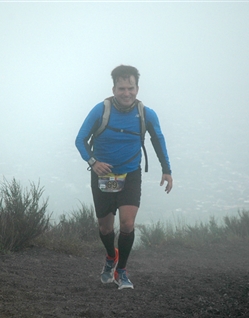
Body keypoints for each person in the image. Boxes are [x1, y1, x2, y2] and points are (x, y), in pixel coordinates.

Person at [75, 65, 173, 290]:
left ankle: (122, 271)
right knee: (105, 228)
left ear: (137, 88)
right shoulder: (100, 111)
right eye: (122, 88)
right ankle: (111, 257)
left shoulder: (146, 114)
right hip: (104, 175)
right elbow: (80, 139)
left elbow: (158, 140)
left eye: (130, 88)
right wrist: (93, 162)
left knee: (127, 224)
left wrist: (166, 170)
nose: (126, 93)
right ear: (114, 88)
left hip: (130, 174)